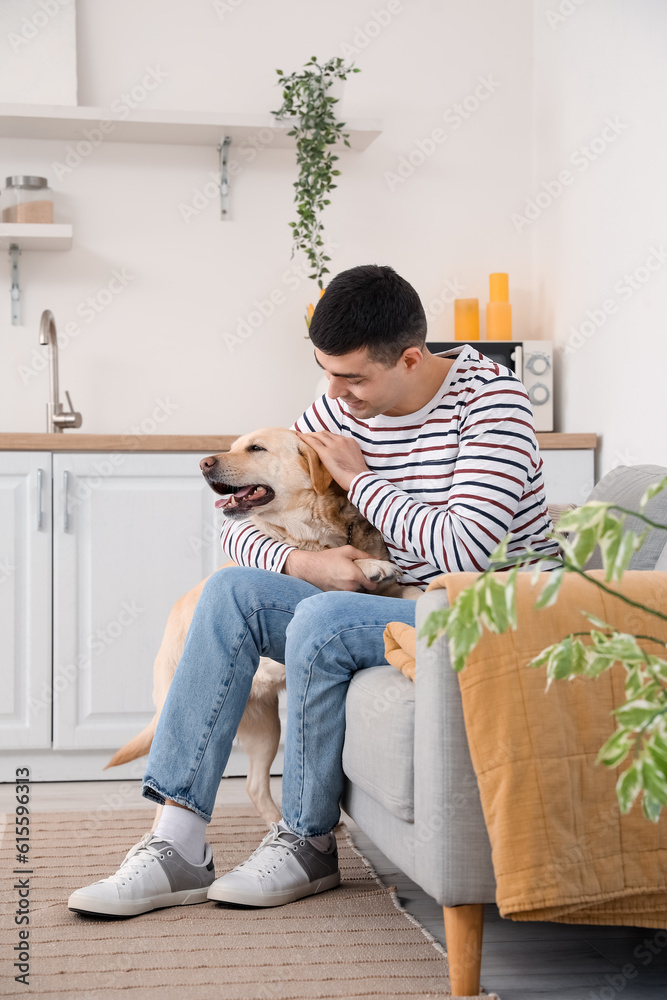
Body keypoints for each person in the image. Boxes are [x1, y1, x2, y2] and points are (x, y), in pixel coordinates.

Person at [68, 264, 561, 918]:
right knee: (230, 593)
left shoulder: (491, 404)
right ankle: (177, 844)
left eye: (352, 377)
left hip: (487, 609)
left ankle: (306, 841)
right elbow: (242, 530)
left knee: (324, 620)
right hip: (388, 601)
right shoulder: (336, 406)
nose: (333, 393)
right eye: (325, 371)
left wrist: (360, 483)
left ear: (410, 359)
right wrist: (307, 566)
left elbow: (462, 550)